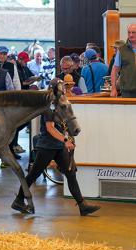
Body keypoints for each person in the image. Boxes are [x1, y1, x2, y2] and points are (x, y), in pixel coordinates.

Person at [11, 81, 101, 216]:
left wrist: (67, 137)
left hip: (58, 146)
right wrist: (65, 140)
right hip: (47, 145)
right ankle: (18, 200)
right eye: (62, 87)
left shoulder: (58, 103)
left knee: (70, 174)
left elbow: (61, 124)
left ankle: (82, 205)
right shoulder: (50, 105)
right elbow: (50, 128)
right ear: (55, 90)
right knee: (33, 175)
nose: (64, 90)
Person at [111, 24, 136, 98]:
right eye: (129, 32)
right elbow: (115, 70)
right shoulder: (122, 50)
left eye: (133, 32)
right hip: (127, 91)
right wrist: (113, 88)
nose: (131, 35)